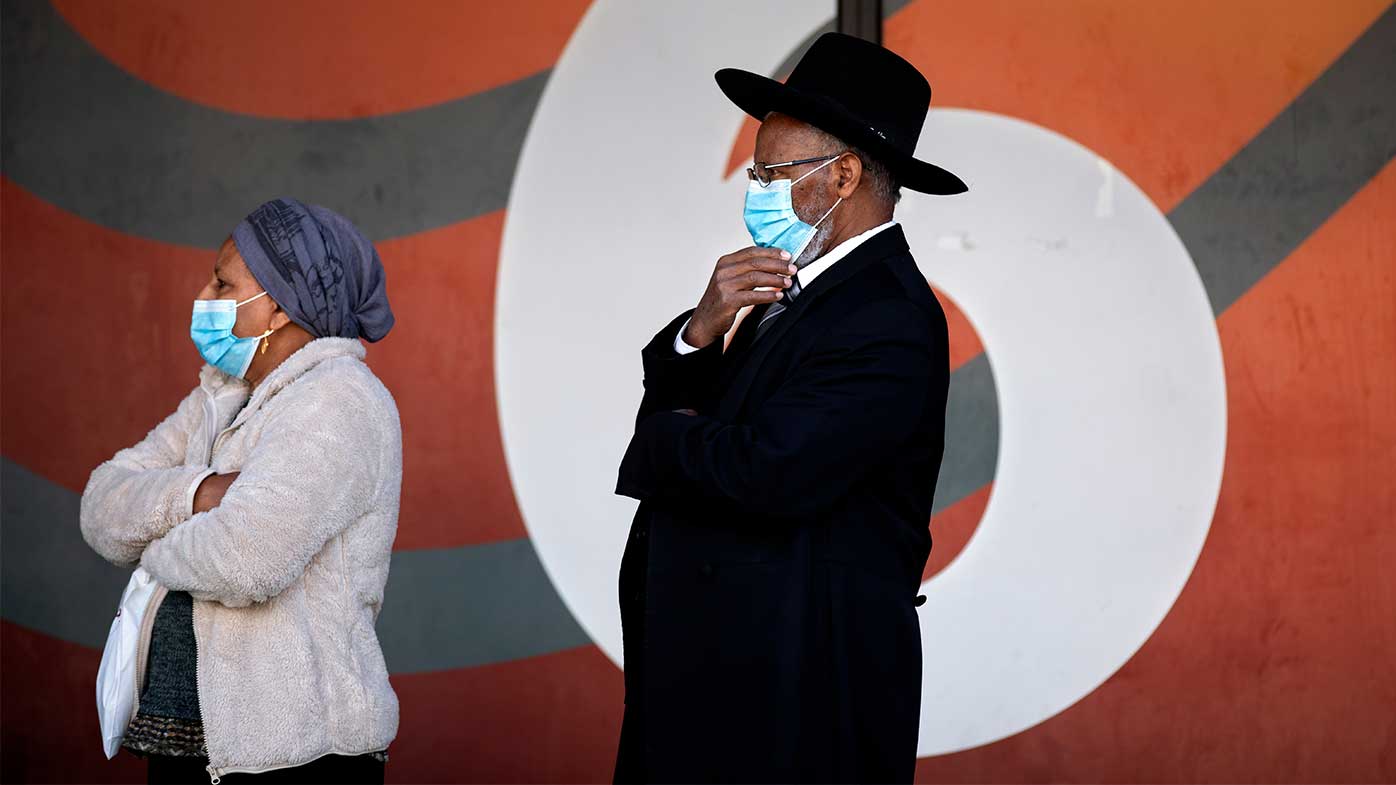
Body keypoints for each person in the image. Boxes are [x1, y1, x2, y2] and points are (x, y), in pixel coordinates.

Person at [613, 33, 967, 783]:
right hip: (731, 678)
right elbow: (716, 418)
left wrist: (663, 437)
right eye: (754, 171)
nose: (757, 189)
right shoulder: (799, 290)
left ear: (843, 176)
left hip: (799, 697)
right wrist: (696, 332)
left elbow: (771, 467)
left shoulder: (889, 313)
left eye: (774, 171)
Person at [80, 198, 402, 784]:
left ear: (276, 307)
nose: (203, 292)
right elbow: (101, 507)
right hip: (183, 738)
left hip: (297, 755)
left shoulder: (336, 399)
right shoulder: (220, 396)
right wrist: (198, 494)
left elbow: (246, 559)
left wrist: (150, 555)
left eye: (223, 282)